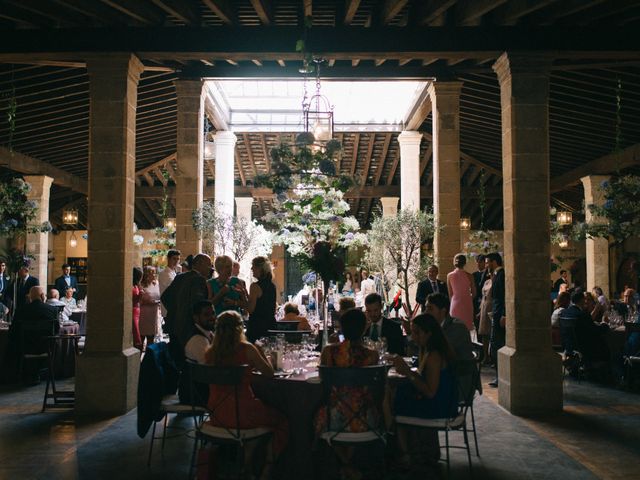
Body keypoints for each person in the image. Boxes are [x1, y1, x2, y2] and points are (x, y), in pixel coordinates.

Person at [205, 311, 288, 473]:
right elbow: (269, 373)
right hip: (243, 413)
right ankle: (267, 467)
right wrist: (261, 353)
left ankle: (247, 461)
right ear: (240, 329)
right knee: (284, 419)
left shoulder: (210, 353)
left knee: (255, 429)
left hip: (216, 414)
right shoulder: (247, 349)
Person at [315, 308, 379, 480]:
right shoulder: (373, 355)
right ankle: (349, 466)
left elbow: (323, 382)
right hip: (366, 418)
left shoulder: (330, 352)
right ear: (364, 329)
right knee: (351, 413)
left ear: (341, 328)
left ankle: (344, 465)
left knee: (315, 416)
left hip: (334, 419)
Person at [392, 314, 458, 464]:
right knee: (400, 395)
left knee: (396, 405)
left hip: (441, 407)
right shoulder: (427, 350)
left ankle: (406, 454)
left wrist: (408, 372)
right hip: (441, 401)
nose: (413, 336)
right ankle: (418, 450)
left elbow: (430, 392)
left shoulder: (434, 355)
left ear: (428, 333)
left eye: (416, 332)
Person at [161, 254, 212, 365]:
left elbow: (165, 297)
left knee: (175, 362)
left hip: (174, 327)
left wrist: (175, 311)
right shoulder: (199, 280)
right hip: (188, 330)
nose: (211, 268)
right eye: (208, 265)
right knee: (188, 364)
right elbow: (199, 306)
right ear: (198, 264)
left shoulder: (180, 277)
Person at [425, 293, 473, 364]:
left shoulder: (457, 327)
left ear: (443, 311)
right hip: (444, 366)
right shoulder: (434, 325)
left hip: (460, 370)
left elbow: (440, 350)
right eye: (426, 308)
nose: (426, 312)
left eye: (430, 308)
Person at [12, 286, 60, 356]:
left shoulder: (20, 311)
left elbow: (13, 331)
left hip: (25, 348)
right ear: (42, 296)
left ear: (29, 297)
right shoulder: (53, 310)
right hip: (46, 348)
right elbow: (56, 330)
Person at [245, 256, 276, 343]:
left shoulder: (255, 286)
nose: (251, 268)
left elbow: (251, 309)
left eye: (253, 266)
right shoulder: (272, 286)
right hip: (270, 325)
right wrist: (244, 293)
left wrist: (239, 302)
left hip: (257, 328)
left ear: (259, 268)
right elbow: (262, 302)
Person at [486, 252, 505, 388]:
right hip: (496, 313)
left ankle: (500, 377)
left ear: (494, 262)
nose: (486, 265)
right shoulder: (496, 275)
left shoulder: (502, 275)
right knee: (494, 345)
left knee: (497, 344)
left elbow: (504, 296)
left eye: (488, 262)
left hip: (500, 315)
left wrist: (504, 314)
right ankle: (499, 376)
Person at [447, 254, 476, 331]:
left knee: (455, 328)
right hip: (467, 302)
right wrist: (468, 297)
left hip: (455, 303)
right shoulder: (470, 276)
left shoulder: (449, 275)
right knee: (466, 328)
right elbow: (474, 293)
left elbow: (450, 294)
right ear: (465, 263)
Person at [185, 300, 216, 365]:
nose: (212, 317)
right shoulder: (197, 340)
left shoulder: (208, 332)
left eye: (213, 313)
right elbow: (210, 367)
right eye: (206, 315)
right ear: (196, 318)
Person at [140, 266, 162, 347]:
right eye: (152, 273)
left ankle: (149, 358)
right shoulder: (142, 285)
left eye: (155, 272)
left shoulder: (156, 284)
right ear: (146, 275)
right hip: (144, 314)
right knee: (141, 338)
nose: (154, 275)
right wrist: (156, 302)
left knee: (151, 338)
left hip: (154, 314)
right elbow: (143, 300)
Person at [158, 249, 181, 316]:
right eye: (174, 259)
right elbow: (175, 287)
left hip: (174, 306)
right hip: (168, 306)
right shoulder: (164, 273)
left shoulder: (174, 272)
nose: (176, 261)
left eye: (178, 259)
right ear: (168, 259)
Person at [477, 270, 493, 363]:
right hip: (484, 306)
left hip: (491, 306)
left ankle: (492, 355)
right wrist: (479, 311)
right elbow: (483, 296)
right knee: (484, 332)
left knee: (491, 332)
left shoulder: (496, 281)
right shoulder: (486, 282)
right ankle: (485, 356)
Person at [132, 267, 143, 351]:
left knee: (136, 328)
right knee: (135, 330)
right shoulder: (132, 286)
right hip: (133, 309)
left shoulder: (136, 285)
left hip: (137, 309)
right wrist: (140, 295)